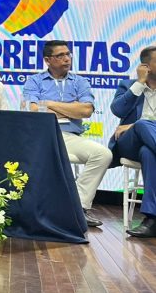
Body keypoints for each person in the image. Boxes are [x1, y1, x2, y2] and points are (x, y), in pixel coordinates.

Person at [23, 40, 111, 227]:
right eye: (60, 55)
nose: (66, 59)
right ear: (48, 60)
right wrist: (71, 109)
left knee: (103, 154)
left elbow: (86, 110)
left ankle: (78, 207)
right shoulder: (35, 81)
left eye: (68, 54)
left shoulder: (80, 82)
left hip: (70, 137)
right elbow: (33, 110)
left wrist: (49, 104)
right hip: (44, 137)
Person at [109, 46, 156, 237]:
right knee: (142, 125)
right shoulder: (128, 85)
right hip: (128, 144)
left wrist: (132, 125)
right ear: (146, 66)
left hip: (149, 144)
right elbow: (118, 110)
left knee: (148, 152)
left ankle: (151, 219)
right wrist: (139, 83)